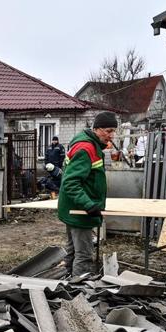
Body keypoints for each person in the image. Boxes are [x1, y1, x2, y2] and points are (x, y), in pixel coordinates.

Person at [58, 112, 117, 277]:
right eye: (108, 131)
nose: (111, 135)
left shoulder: (90, 145)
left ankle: (64, 286)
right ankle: (79, 292)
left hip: (74, 207)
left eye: (113, 131)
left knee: (72, 251)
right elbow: (70, 182)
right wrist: (89, 205)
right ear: (97, 129)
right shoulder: (86, 148)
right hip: (80, 210)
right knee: (83, 254)